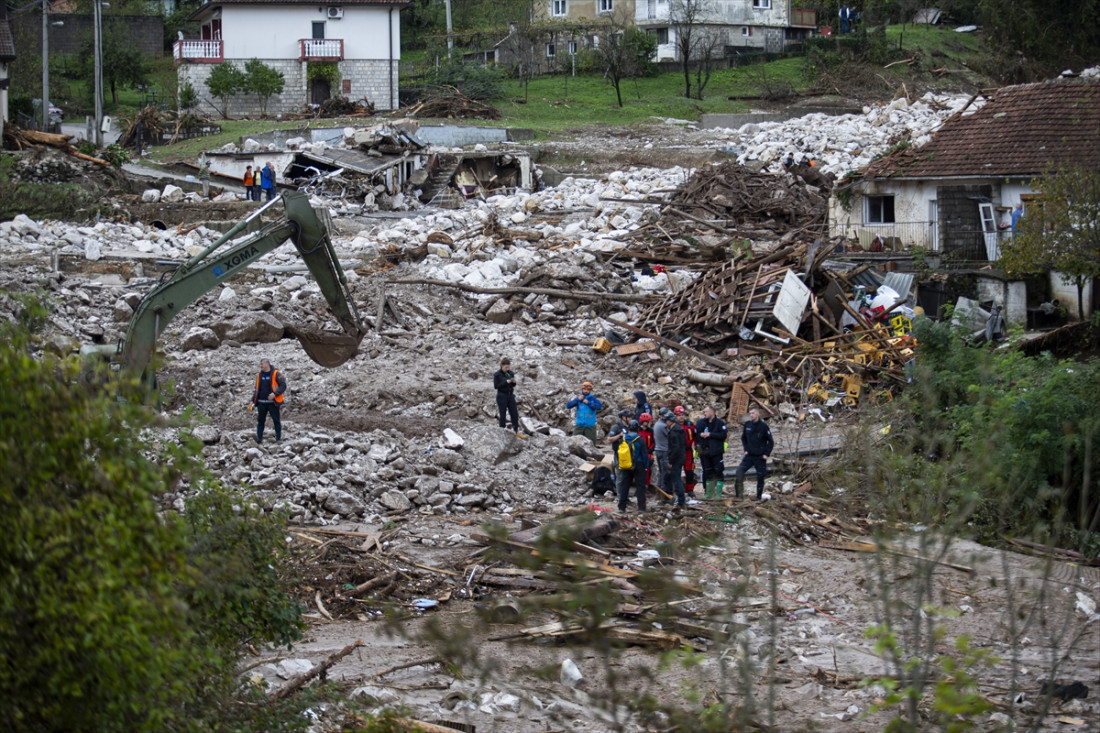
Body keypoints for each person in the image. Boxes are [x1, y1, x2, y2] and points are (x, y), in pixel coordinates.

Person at [735, 408, 774, 501]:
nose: (751, 415)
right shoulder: (748, 425)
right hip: (749, 456)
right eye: (750, 413)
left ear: (758, 414)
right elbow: (743, 438)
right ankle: (739, 496)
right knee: (739, 472)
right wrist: (745, 449)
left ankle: (758, 497)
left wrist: (766, 454)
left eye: (753, 413)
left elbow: (771, 442)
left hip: (760, 457)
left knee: (760, 476)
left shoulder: (763, 426)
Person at [615, 420, 649, 513]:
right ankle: (641, 508)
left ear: (628, 428)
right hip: (639, 465)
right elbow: (644, 454)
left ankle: (621, 507)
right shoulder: (640, 439)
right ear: (637, 428)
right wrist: (646, 466)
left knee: (624, 486)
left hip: (626, 465)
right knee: (640, 486)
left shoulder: (623, 438)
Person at [695, 405, 728, 499]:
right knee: (707, 471)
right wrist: (701, 435)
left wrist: (711, 434)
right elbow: (696, 434)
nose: (704, 413)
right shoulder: (701, 423)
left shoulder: (720, 423)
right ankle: (708, 493)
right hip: (705, 451)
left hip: (716, 451)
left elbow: (723, 435)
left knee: (719, 470)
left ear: (712, 412)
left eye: (706, 412)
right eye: (704, 412)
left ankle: (718, 494)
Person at [251, 358, 287, 444]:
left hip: (273, 403)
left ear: (267, 364)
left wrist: (275, 394)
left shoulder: (276, 374)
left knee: (276, 420)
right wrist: (252, 400)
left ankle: (278, 438)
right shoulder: (259, 376)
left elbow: (283, 385)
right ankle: (259, 438)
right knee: (260, 421)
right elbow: (257, 390)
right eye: (260, 364)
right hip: (261, 403)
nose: (261, 366)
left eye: (262, 364)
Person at [664, 412, 687, 508]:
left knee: (676, 479)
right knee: (670, 477)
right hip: (681, 457)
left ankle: (681, 500)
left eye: (666, 421)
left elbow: (675, 448)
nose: (665, 423)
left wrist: (671, 461)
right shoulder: (679, 430)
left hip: (676, 459)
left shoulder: (673, 433)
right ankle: (674, 497)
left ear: (670, 421)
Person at [676, 406, 698, 497]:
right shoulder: (673, 425)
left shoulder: (690, 425)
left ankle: (690, 490)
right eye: (679, 415)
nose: (681, 417)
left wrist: (697, 447)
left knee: (689, 471)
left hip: (688, 451)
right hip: (677, 452)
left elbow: (696, 437)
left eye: (682, 415)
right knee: (676, 472)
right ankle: (677, 490)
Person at [493, 357, 519, 433]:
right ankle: (502, 430)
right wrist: (505, 382)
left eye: (508, 367)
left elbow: (513, 385)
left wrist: (513, 382)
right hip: (502, 395)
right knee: (503, 414)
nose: (507, 369)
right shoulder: (497, 374)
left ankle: (516, 430)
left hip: (510, 395)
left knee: (514, 413)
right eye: (506, 367)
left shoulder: (511, 373)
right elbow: (496, 386)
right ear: (502, 366)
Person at [652, 407, 671, 502]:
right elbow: (670, 436)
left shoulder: (657, 424)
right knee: (665, 472)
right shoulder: (663, 426)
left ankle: (659, 492)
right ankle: (663, 494)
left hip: (659, 450)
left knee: (662, 471)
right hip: (664, 450)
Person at [638, 413, 656, 488]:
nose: (649, 423)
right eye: (648, 422)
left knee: (648, 469)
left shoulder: (651, 431)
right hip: (639, 453)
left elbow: (654, 442)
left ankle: (647, 485)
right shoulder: (638, 430)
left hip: (648, 453)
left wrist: (650, 450)